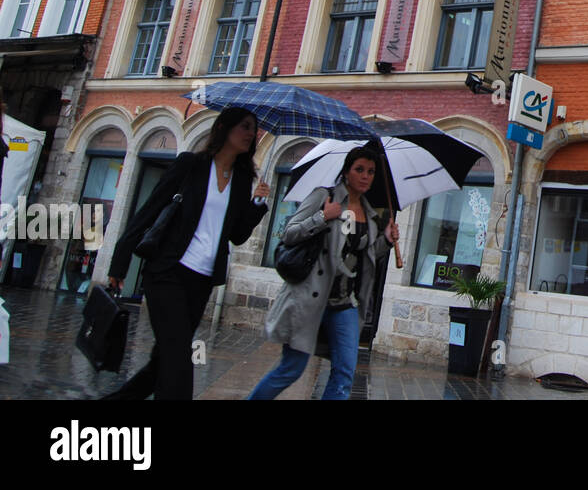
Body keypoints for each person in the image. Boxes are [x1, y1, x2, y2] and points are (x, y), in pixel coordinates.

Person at [103, 107, 270, 399]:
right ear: (224, 129)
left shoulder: (242, 181)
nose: (250, 134)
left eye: (253, 129)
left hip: (202, 280)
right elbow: (147, 212)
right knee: (180, 357)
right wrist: (119, 263)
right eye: (244, 126)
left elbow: (237, 235)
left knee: (164, 361)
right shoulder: (190, 165)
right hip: (168, 272)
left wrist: (257, 206)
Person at [249, 146, 397, 400]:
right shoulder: (323, 197)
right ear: (346, 171)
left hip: (345, 303)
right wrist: (322, 217)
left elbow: (366, 256)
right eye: (359, 169)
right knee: (291, 370)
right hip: (310, 298)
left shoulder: (370, 215)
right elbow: (289, 233)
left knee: (344, 374)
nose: (365, 176)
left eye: (371, 172)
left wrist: (386, 240)